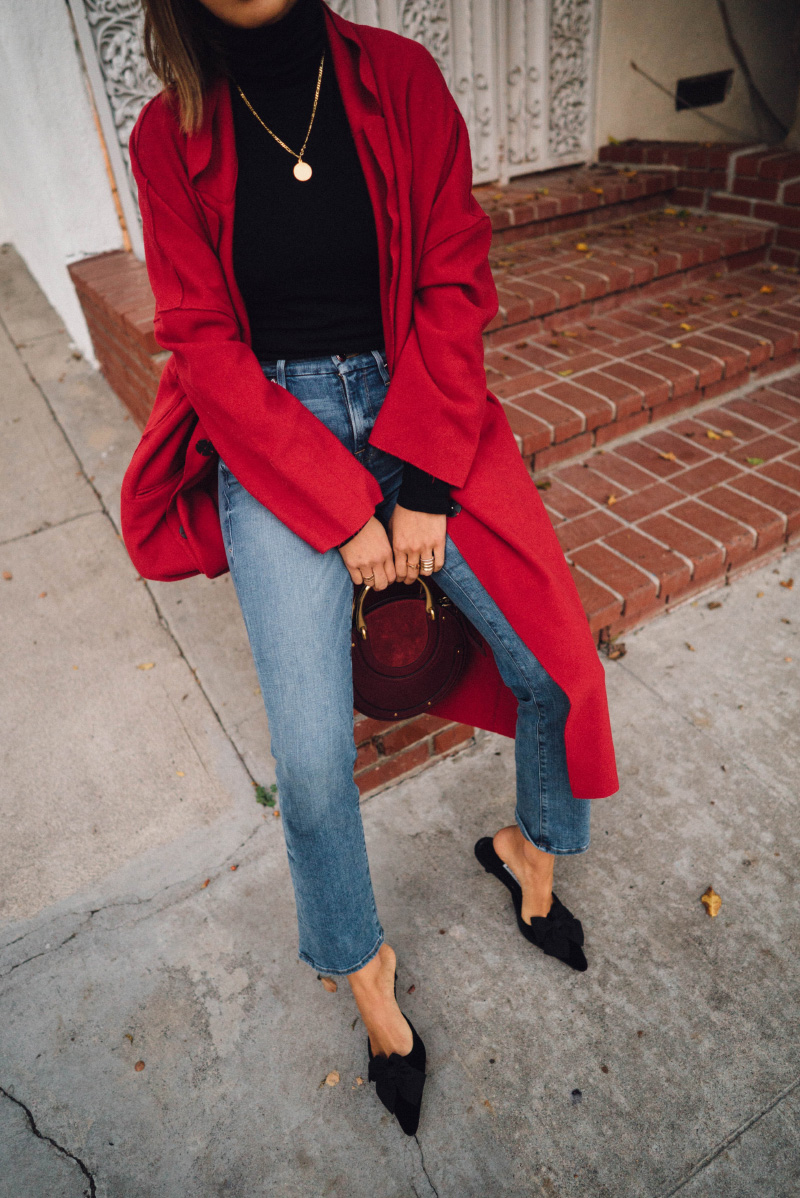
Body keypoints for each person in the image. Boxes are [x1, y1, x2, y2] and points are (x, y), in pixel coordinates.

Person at [124, 0, 618, 1136]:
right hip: (272, 431)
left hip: (421, 406)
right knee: (307, 764)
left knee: (555, 661)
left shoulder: (398, 78)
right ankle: (365, 974)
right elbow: (200, 343)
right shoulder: (167, 137)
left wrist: (421, 482)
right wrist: (346, 509)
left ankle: (525, 852)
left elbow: (453, 277)